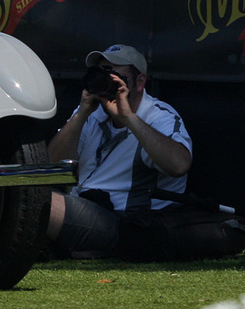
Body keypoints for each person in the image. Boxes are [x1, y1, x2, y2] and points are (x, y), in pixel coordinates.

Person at [46, 44, 192, 258]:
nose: (106, 79)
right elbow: (53, 166)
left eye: (113, 74)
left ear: (140, 82)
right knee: (26, 195)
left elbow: (179, 165)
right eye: (100, 72)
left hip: (128, 224)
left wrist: (129, 119)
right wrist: (82, 115)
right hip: (85, 207)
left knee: (38, 202)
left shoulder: (159, 117)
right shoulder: (91, 111)